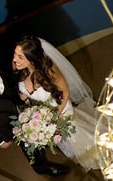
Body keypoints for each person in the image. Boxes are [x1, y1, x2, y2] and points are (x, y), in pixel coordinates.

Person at [0, 39, 69, 177]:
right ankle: (40, 166)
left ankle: (48, 139)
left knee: (43, 132)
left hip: (20, 101)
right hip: (6, 121)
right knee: (28, 145)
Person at [11, 36, 100, 171]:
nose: (15, 59)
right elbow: (23, 91)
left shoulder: (49, 71)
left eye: (20, 57)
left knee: (78, 136)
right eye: (15, 54)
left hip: (61, 110)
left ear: (33, 59)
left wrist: (54, 117)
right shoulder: (18, 67)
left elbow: (64, 93)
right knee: (66, 141)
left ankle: (95, 154)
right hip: (44, 115)